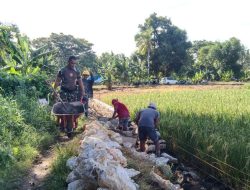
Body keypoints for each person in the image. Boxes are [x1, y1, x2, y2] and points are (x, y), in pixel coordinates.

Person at [54, 56, 85, 137]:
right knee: (64, 110)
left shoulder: (77, 71)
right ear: (68, 62)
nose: (73, 65)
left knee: (71, 111)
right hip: (64, 92)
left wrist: (83, 92)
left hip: (73, 93)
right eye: (72, 63)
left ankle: (70, 128)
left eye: (74, 63)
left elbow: (80, 82)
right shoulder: (62, 71)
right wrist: (54, 91)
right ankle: (62, 125)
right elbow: (57, 81)